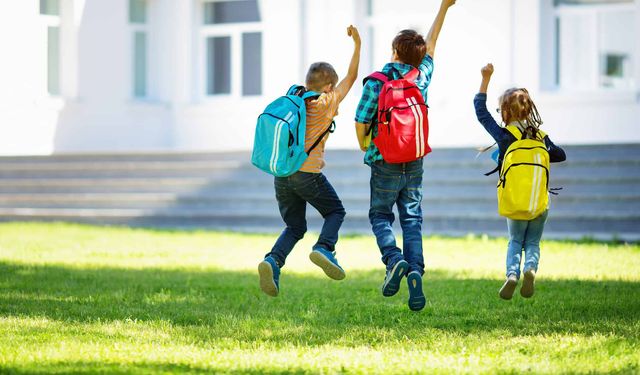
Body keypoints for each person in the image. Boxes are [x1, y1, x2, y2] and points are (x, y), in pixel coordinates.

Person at [354, 0, 456, 311]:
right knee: (412, 219)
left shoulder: (377, 81)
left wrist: (365, 144)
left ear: (394, 52)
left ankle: (394, 259)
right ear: (419, 56)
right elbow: (434, 41)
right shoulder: (420, 78)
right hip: (414, 159)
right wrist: (445, 7)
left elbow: (361, 122)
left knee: (380, 215)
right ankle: (415, 272)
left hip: (383, 159)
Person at [258, 26, 362, 297]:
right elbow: (352, 77)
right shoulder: (327, 102)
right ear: (328, 86)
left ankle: (273, 260)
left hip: (282, 174)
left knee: (294, 226)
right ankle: (325, 247)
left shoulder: (295, 98)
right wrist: (358, 44)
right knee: (335, 212)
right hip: (308, 175)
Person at [474, 63, 566, 300]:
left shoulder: (506, 137)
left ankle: (512, 274)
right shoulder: (541, 136)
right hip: (539, 203)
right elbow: (560, 155)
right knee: (533, 242)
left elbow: (480, 111)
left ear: (505, 112)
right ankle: (530, 269)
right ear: (529, 110)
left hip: (515, 202)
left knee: (515, 240)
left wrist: (485, 78)